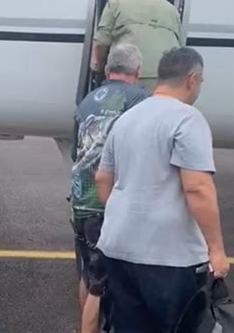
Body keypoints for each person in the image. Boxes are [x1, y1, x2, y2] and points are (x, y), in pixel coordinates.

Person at [96, 47, 230, 333]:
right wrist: (216, 250)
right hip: (167, 256)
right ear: (192, 79)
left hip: (118, 246)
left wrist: (124, 214)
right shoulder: (187, 119)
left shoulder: (127, 119)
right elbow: (197, 188)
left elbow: (102, 178)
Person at [71, 44, 149, 333]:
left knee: (88, 276)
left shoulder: (87, 100)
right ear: (137, 71)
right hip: (109, 202)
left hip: (81, 200)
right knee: (101, 284)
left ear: (107, 70)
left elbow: (75, 151)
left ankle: (87, 324)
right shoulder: (140, 100)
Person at [91, 0, 182, 91]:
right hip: (164, 77)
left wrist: (99, 66)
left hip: (127, 75)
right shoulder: (172, 10)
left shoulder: (115, 3)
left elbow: (101, 42)